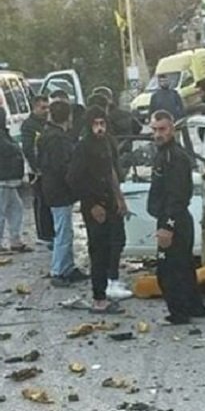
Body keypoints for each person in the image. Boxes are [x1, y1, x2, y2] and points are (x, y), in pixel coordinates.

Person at [67, 106, 133, 311]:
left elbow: (111, 171)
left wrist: (119, 198)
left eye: (102, 123)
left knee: (114, 242)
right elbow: (73, 179)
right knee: (98, 250)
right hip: (93, 205)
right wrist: (92, 204)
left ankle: (107, 287)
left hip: (110, 201)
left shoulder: (105, 143)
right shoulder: (83, 147)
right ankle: (99, 298)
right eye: (95, 124)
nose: (99, 128)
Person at [147, 110, 205, 325]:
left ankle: (179, 313)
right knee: (183, 266)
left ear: (172, 129)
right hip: (174, 219)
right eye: (154, 130)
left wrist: (167, 227)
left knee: (168, 271)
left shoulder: (174, 156)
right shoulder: (163, 153)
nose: (157, 134)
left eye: (162, 129)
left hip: (174, 220)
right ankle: (195, 306)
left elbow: (177, 196)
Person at [37, 100, 87, 287]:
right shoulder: (59, 139)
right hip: (59, 191)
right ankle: (58, 270)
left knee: (64, 229)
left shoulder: (46, 135)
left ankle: (67, 267)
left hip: (51, 188)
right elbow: (64, 167)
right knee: (63, 232)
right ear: (69, 117)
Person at [0, 104, 31, 255]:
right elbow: (8, 149)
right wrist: (16, 148)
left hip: (4, 179)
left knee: (16, 207)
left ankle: (15, 240)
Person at [21, 95, 53, 247]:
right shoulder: (29, 125)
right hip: (37, 171)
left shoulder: (47, 123)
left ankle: (50, 231)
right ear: (34, 108)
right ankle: (43, 234)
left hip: (48, 168)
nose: (46, 111)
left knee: (49, 201)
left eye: (48, 107)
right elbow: (28, 149)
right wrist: (36, 168)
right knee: (41, 201)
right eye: (43, 108)